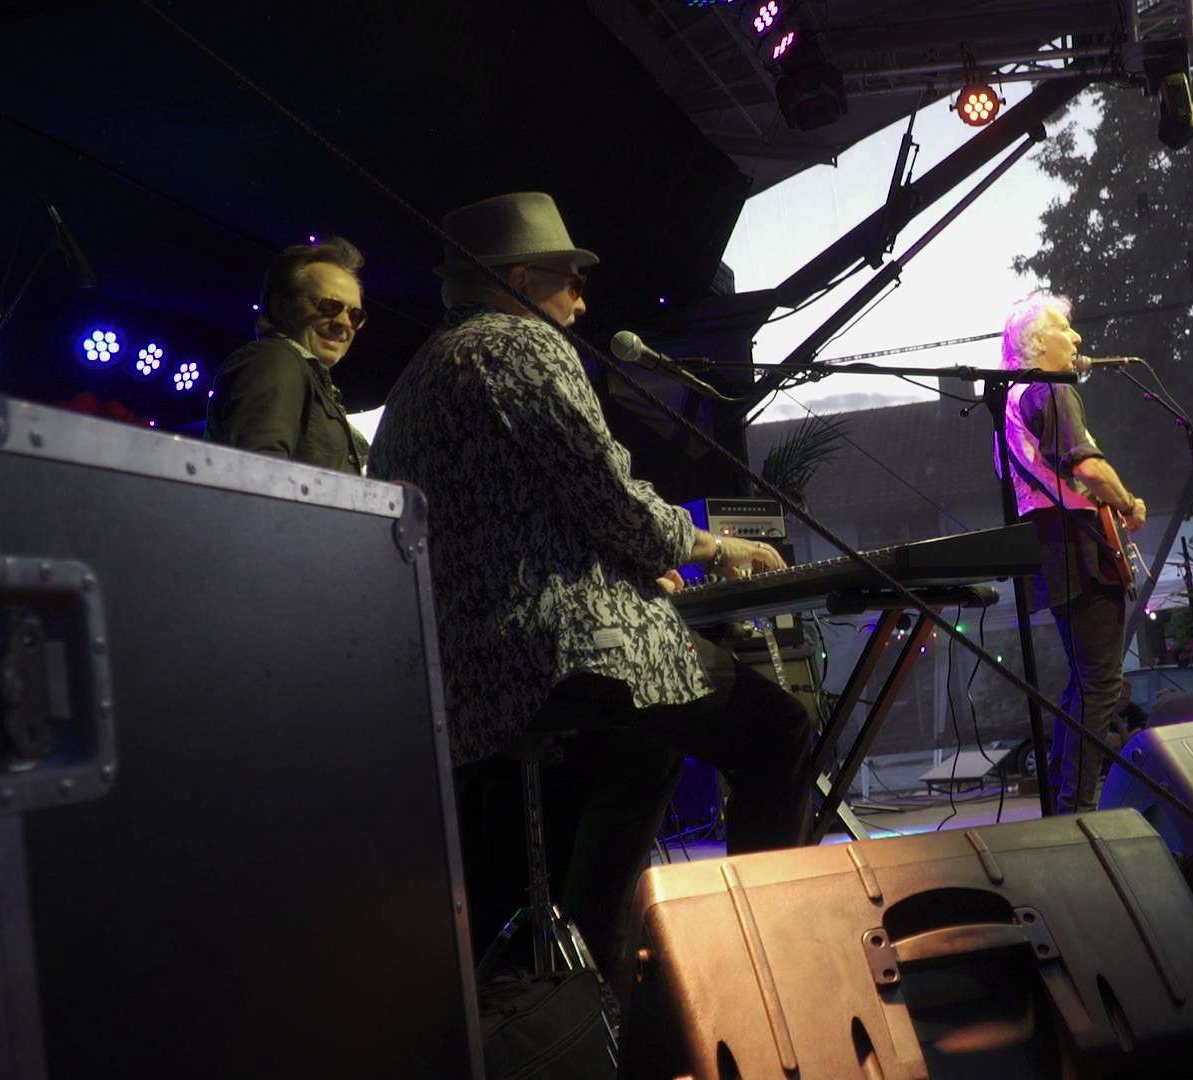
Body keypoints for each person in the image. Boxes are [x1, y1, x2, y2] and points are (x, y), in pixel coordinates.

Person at [367, 192, 814, 972]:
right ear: (517, 279)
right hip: (564, 652)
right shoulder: (520, 345)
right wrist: (713, 546)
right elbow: (609, 499)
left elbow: (519, 517)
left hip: (469, 675)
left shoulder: (417, 381)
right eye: (570, 278)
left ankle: (601, 988)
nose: (582, 300)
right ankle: (768, 965)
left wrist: (626, 566)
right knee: (777, 730)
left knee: (644, 752)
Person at [997, 291, 1148, 814]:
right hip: (1079, 547)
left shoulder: (1013, 399)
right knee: (1102, 684)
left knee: (1085, 684)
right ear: (1039, 343)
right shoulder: (1051, 389)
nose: (1078, 337)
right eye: (1065, 328)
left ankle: (1067, 803)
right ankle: (1078, 808)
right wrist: (1127, 502)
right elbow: (1085, 465)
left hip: (1050, 547)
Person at [206, 236, 371, 473]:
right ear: (280, 307)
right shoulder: (274, 359)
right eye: (329, 306)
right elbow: (259, 473)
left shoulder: (303, 375)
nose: (344, 323)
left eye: (355, 316)